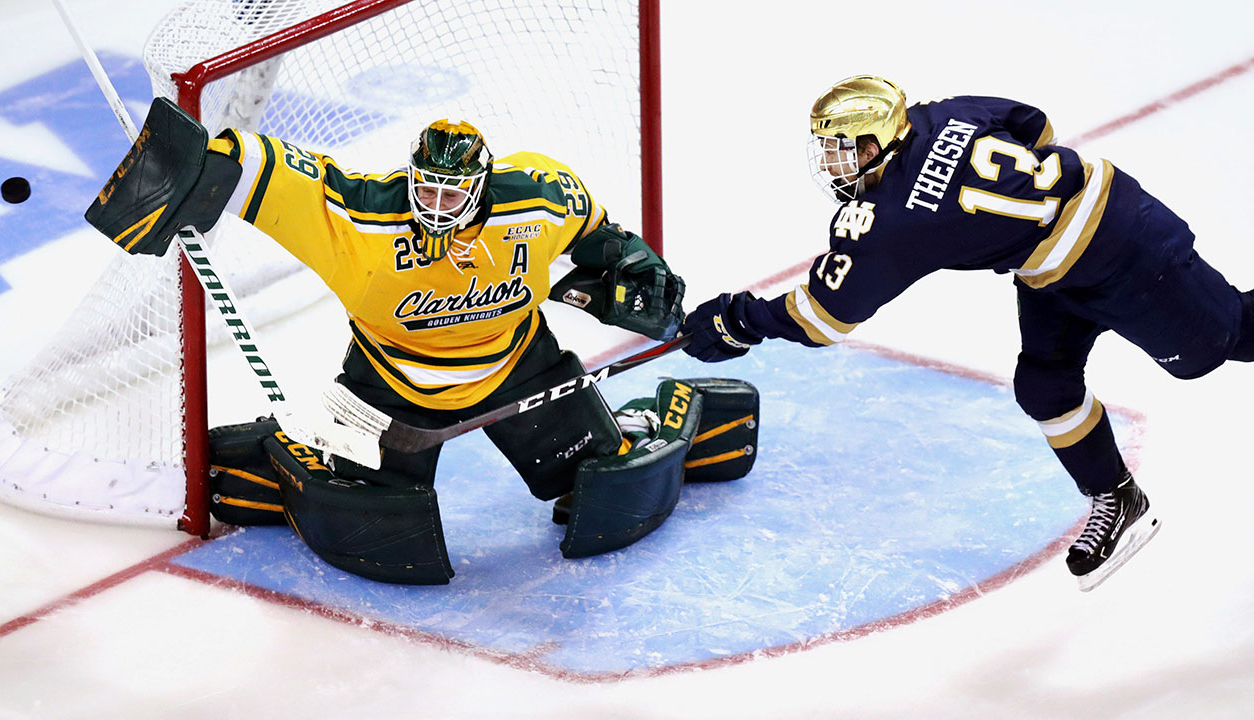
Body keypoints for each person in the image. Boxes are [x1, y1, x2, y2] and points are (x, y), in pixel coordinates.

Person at [84, 97, 760, 584]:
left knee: (602, 479)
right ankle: (285, 453)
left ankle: (636, 427)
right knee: (375, 519)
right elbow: (270, 169)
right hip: (388, 388)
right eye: (425, 192)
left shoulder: (539, 198)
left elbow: (600, 236)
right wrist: (195, 164)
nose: (434, 208)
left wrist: (634, 269)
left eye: (450, 195)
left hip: (520, 368)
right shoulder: (362, 217)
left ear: (480, 185)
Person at [681, 75, 1254, 592]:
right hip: (1054, 262)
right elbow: (1034, 122)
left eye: (840, 151)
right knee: (1045, 385)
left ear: (876, 142)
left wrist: (739, 318)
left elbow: (825, 317)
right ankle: (1119, 499)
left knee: (1222, 338)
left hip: (1124, 247)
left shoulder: (890, 219)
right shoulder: (942, 113)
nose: (831, 165)